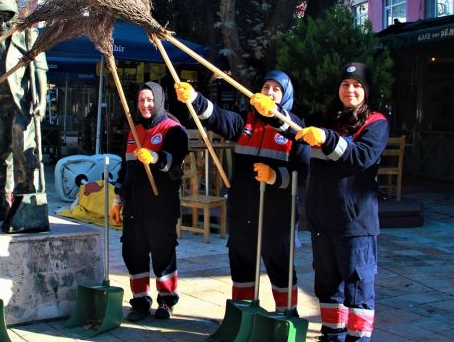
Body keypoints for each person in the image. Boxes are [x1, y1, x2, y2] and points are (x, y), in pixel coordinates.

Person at [174, 70, 309, 313]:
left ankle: (288, 316)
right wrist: (194, 98)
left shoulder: (294, 127)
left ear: (285, 96)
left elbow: (305, 172)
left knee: (280, 267)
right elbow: (217, 116)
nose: (269, 93)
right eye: (266, 87)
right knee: (241, 265)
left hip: (277, 216)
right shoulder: (245, 122)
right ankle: (243, 315)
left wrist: (276, 176)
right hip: (243, 212)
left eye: (276, 89)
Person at [295, 63, 388, 342]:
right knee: (327, 286)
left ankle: (357, 339)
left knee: (358, 288)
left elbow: (360, 157)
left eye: (357, 85)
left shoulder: (376, 123)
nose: (350, 90)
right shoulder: (325, 117)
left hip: (354, 223)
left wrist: (327, 138)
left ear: (366, 91)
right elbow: (293, 130)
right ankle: (331, 334)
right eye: (346, 84)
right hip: (322, 220)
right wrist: (272, 113)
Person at [109, 81, 188, 322]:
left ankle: (166, 300)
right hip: (134, 207)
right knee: (134, 253)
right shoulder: (133, 131)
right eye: (142, 100)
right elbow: (125, 171)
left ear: (159, 100)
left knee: (163, 255)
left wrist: (155, 158)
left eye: (150, 100)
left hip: (161, 206)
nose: (145, 104)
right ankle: (141, 300)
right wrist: (118, 198)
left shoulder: (173, 129)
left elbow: (175, 164)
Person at [0, 0, 48, 221]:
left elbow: (40, 71)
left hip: (21, 104)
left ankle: (24, 201)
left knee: (22, 151)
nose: (4, 22)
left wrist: (41, 102)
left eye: (9, 17)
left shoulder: (28, 36)